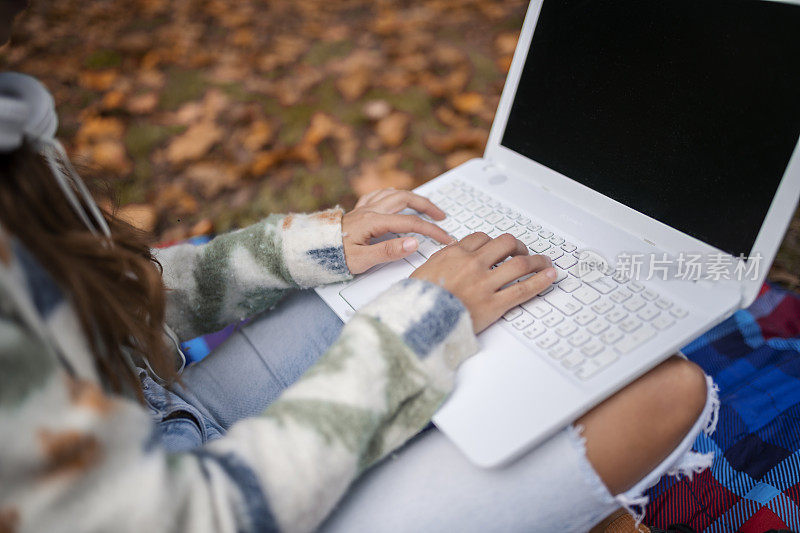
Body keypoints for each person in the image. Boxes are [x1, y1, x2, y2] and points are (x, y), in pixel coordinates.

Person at [0, 7, 718, 533]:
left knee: (412, 282)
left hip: (168, 419)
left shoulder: (12, 122)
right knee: (665, 390)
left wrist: (309, 247)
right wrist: (421, 326)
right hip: (198, 504)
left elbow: (106, 297)